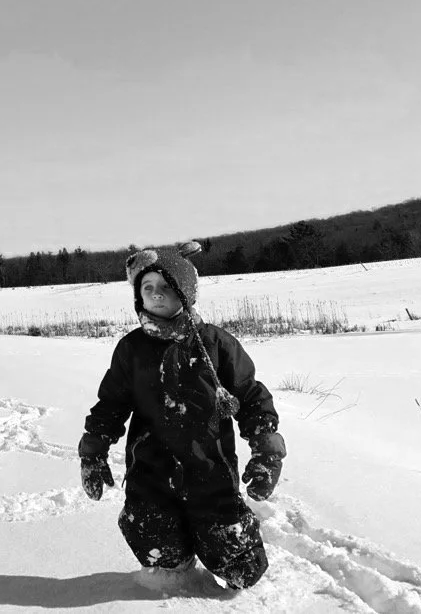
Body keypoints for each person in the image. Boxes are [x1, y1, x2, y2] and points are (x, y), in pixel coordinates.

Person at [78, 242, 286, 590]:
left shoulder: (216, 344)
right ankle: (178, 570)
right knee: (153, 539)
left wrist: (266, 447)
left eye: (165, 287)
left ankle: (216, 548)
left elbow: (250, 395)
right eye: (147, 288)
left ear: (185, 293)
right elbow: (110, 404)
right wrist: (93, 449)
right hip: (151, 472)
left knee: (243, 568)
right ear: (137, 298)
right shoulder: (131, 349)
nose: (156, 295)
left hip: (210, 471)